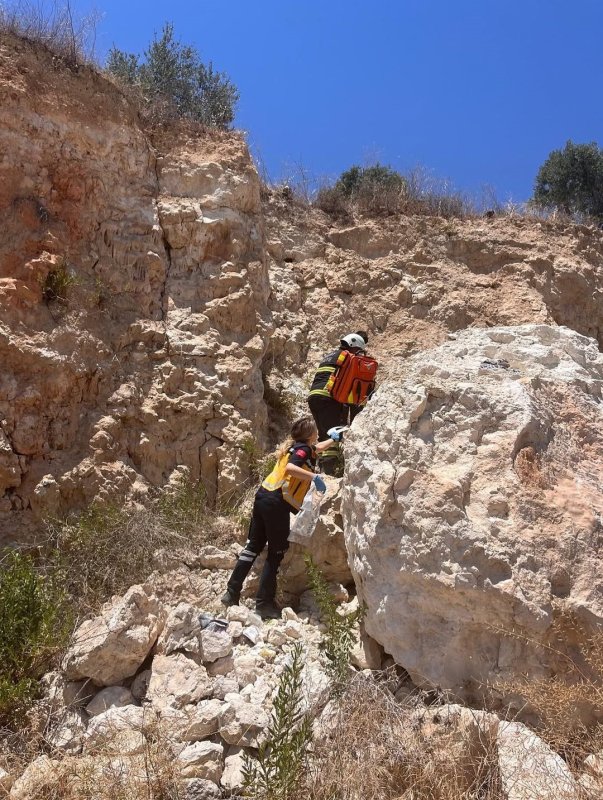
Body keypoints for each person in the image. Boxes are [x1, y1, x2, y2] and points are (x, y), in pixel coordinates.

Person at [221, 416, 336, 620]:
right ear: (310, 434)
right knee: (276, 553)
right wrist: (314, 477)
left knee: (253, 547)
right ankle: (264, 604)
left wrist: (334, 439)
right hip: (276, 503)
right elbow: (292, 468)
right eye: (316, 431)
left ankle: (231, 593)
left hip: (263, 496)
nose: (318, 433)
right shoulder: (303, 450)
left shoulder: (296, 447)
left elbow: (316, 449)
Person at [307, 330, 370, 475]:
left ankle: (322, 470)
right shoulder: (348, 358)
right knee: (332, 436)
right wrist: (356, 417)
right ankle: (330, 473)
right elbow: (352, 386)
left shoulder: (331, 355)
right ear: (353, 346)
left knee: (324, 434)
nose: (359, 354)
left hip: (314, 397)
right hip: (328, 399)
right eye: (358, 351)